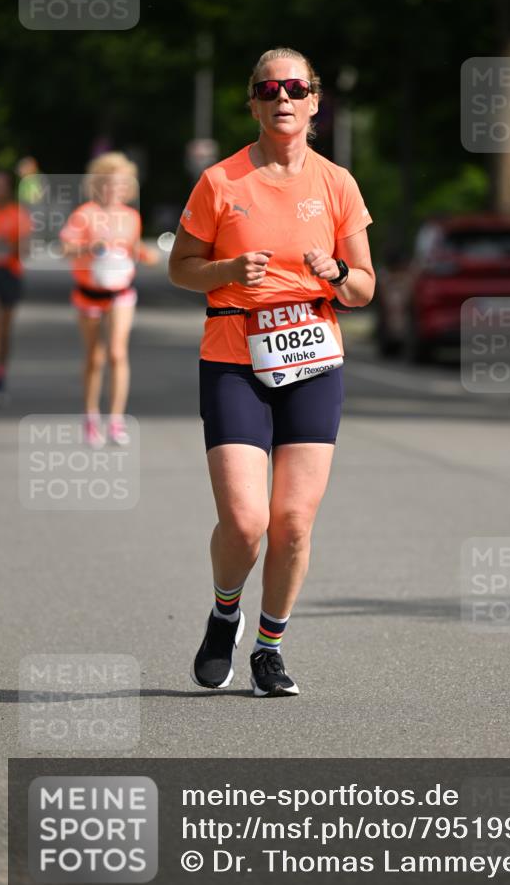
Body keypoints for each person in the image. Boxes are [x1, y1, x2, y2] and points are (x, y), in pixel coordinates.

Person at [169, 47, 375, 698]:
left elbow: (365, 286)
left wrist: (336, 273)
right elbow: (180, 267)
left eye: (296, 87)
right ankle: (224, 610)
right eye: (269, 89)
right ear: (253, 103)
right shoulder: (221, 183)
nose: (282, 98)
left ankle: (268, 648)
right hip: (234, 353)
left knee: (291, 523)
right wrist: (227, 271)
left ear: (315, 102)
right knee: (245, 521)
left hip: (313, 357)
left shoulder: (336, 183)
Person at [59, 152, 158, 447]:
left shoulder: (131, 217)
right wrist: (89, 246)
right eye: (107, 183)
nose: (112, 189)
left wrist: (144, 254)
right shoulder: (85, 214)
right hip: (89, 293)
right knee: (95, 357)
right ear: (97, 184)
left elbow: (132, 248)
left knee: (117, 353)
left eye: (119, 184)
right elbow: (65, 248)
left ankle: (115, 420)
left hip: (120, 293)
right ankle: (91, 416)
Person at [0, 169, 31, 404]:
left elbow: (26, 250)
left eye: (3, 186)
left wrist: (11, 244)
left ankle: (0, 376)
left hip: (11, 273)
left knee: (4, 333)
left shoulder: (19, 214)